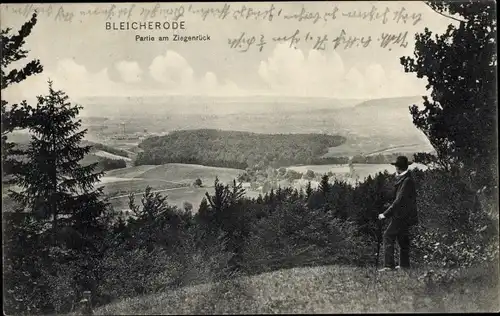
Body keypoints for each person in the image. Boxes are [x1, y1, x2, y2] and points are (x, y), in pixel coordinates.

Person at [378, 156, 418, 272]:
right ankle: (404, 265)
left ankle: (389, 266)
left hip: (401, 215)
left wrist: (385, 214)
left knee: (388, 235)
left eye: (395, 165)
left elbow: (399, 201)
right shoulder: (406, 179)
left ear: (397, 167)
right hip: (406, 216)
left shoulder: (406, 181)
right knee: (402, 239)